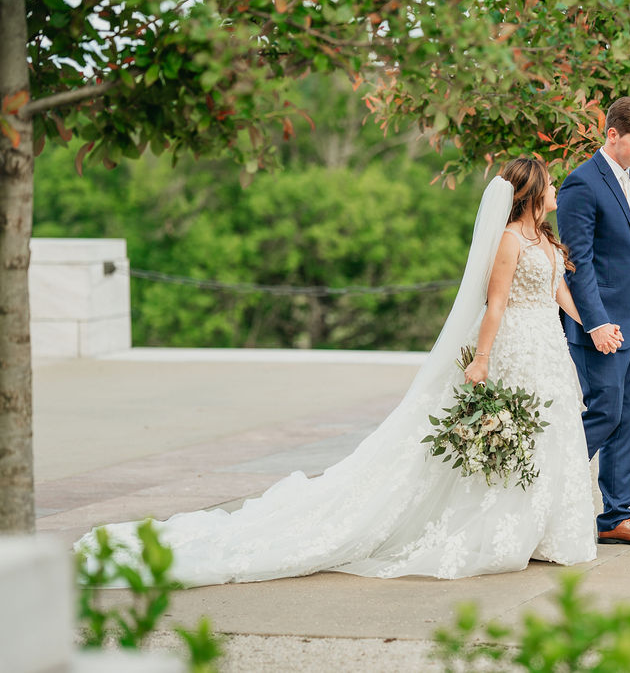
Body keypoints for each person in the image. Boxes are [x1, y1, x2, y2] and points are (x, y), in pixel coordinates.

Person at [75, 158, 596, 585]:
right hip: (514, 348)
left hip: (547, 347)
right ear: (531, 192)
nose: (557, 187)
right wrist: (481, 359)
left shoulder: (545, 240)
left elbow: (557, 290)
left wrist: (592, 326)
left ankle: (545, 530)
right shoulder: (508, 240)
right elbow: (496, 304)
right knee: (520, 437)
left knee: (551, 435)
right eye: (550, 182)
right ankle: (504, 526)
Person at [556, 96, 630, 546]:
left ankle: (616, 518)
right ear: (612, 135)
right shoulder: (581, 184)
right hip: (600, 328)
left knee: (627, 420)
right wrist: (595, 323)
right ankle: (538, 491)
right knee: (603, 414)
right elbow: (578, 264)